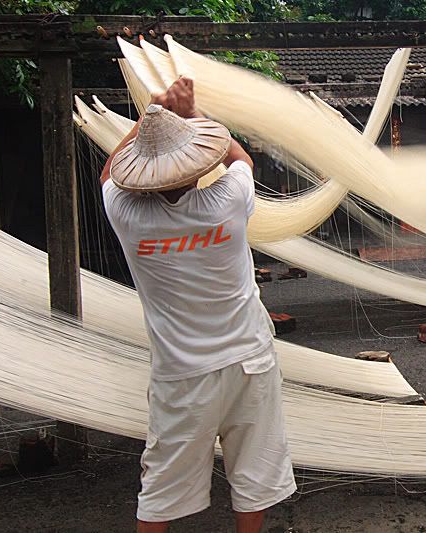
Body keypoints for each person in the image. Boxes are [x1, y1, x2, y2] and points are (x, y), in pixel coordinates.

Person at [100, 77, 296, 531]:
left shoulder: (128, 217)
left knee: (160, 490)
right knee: (253, 474)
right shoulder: (227, 201)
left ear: (143, 175)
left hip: (182, 377)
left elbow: (108, 174)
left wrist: (148, 117)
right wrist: (190, 115)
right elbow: (240, 158)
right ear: (195, 167)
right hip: (249, 362)